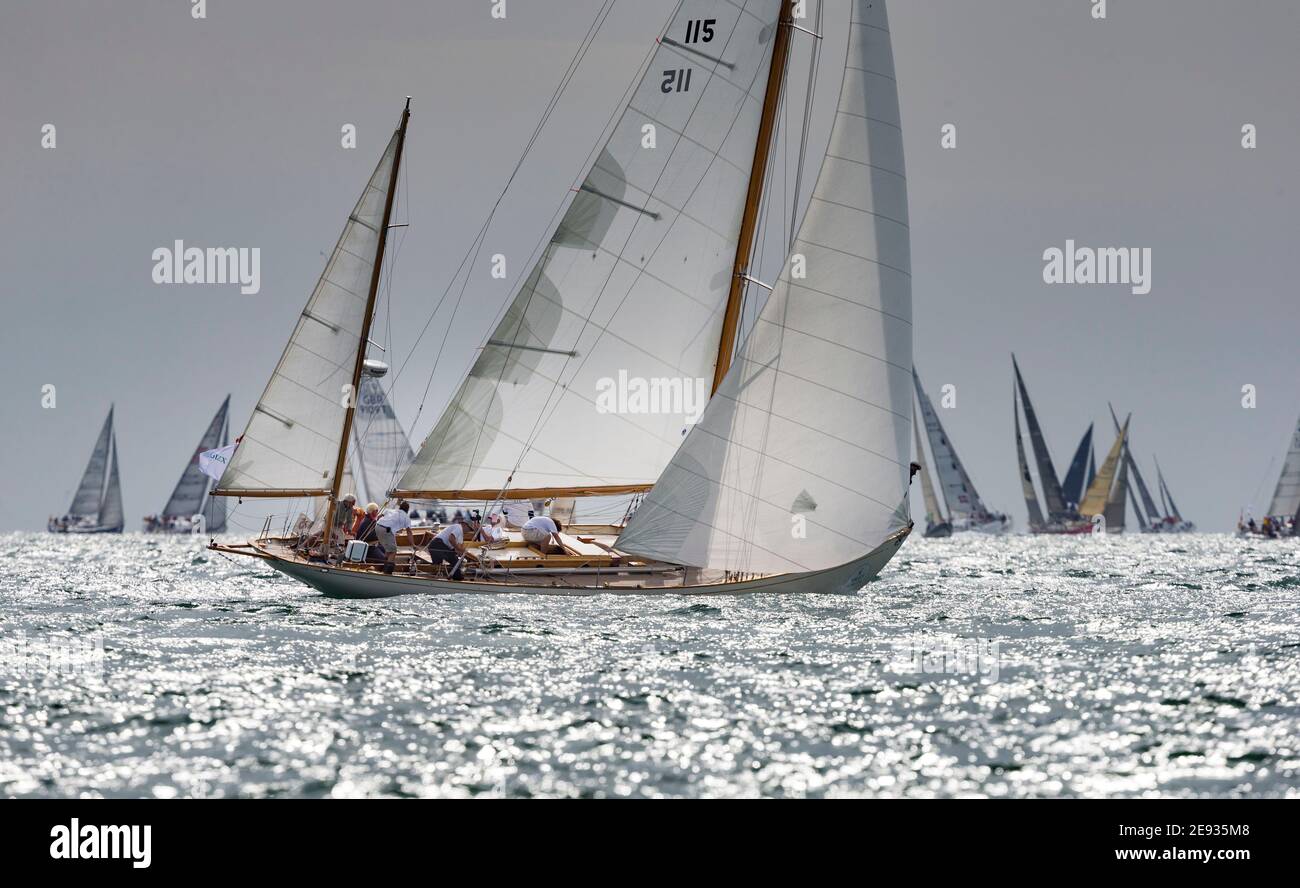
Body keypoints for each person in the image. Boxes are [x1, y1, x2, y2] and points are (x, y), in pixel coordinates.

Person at [427, 515, 477, 580]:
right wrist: (458, 550)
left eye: (471, 530)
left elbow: (460, 547)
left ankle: (437, 578)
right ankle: (457, 579)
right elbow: (451, 539)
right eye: (469, 528)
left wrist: (463, 555)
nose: (469, 531)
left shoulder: (460, 535)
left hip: (435, 546)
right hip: (438, 544)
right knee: (455, 560)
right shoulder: (459, 528)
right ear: (464, 524)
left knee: (438, 566)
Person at [374, 501, 412, 573]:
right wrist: (413, 544)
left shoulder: (391, 510)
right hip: (386, 530)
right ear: (407, 510)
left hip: (377, 527)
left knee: (388, 550)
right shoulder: (406, 517)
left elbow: (379, 517)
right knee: (393, 551)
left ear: (400, 507)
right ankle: (387, 572)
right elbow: (409, 532)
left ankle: (381, 568)